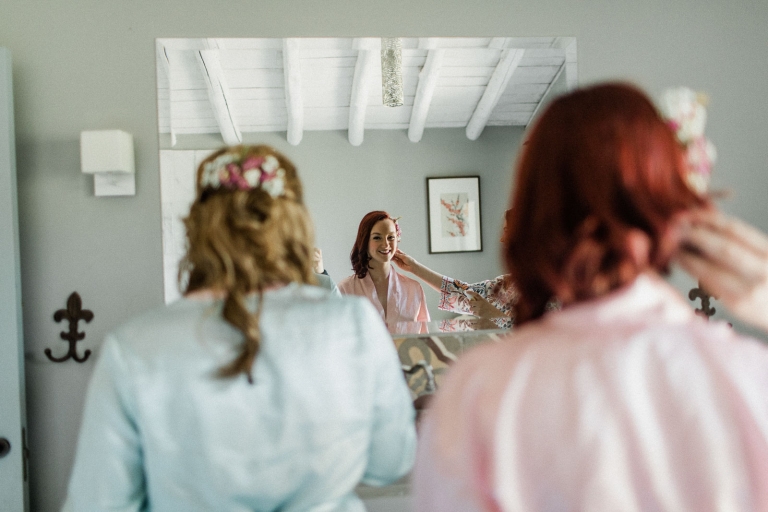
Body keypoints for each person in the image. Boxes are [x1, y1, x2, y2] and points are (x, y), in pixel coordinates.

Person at [413, 83, 768, 511]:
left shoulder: (478, 390)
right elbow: (467, 299)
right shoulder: (744, 374)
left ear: (533, 207)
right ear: (668, 199)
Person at [65, 145, 415, 511]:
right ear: (294, 226)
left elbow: (99, 502)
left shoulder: (134, 347)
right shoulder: (355, 326)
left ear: (199, 228)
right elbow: (389, 462)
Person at [338, 211, 430, 333]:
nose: (386, 244)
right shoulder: (345, 290)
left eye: (391, 237)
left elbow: (425, 339)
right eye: (377, 238)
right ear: (364, 241)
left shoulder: (413, 289)